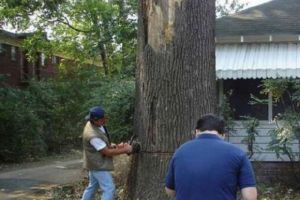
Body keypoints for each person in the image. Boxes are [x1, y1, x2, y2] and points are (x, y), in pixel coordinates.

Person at [165, 114, 257, 200]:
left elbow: (170, 191)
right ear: (223, 135)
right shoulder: (238, 153)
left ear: (197, 131)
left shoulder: (180, 152)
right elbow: (250, 196)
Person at [81, 106, 132, 200]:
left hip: (93, 164)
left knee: (92, 187)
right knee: (109, 188)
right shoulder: (92, 135)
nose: (105, 120)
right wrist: (126, 150)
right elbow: (107, 152)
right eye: (102, 119)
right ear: (95, 120)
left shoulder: (96, 124)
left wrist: (115, 146)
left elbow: (104, 144)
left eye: (105, 117)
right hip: (97, 165)